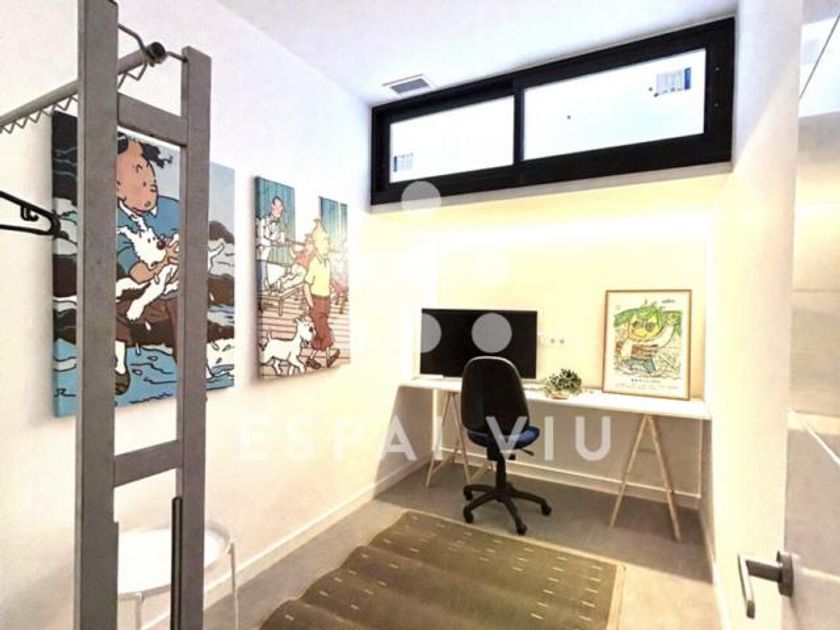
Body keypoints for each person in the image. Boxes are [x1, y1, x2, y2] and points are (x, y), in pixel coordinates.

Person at [114, 135, 178, 395]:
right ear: (117, 187)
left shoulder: (175, 209)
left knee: (187, 324)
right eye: (137, 170)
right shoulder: (116, 223)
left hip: (177, 290)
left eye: (147, 168)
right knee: (113, 312)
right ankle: (119, 366)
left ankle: (196, 371)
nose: (148, 178)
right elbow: (138, 273)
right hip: (150, 288)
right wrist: (164, 261)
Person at [303, 220, 340, 369]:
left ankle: (310, 359)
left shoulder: (327, 263)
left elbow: (327, 280)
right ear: (317, 244)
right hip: (317, 303)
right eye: (324, 241)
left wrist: (333, 290)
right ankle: (328, 358)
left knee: (320, 333)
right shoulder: (314, 263)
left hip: (326, 301)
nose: (327, 244)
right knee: (325, 331)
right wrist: (312, 305)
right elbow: (306, 285)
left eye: (328, 241)